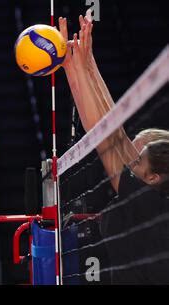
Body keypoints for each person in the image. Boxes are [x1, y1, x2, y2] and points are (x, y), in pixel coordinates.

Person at [58, 16, 169, 284]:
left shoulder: (146, 205)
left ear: (154, 177)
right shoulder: (152, 197)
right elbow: (114, 131)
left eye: (138, 159)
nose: (131, 157)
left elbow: (106, 138)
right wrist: (86, 64)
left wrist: (74, 68)